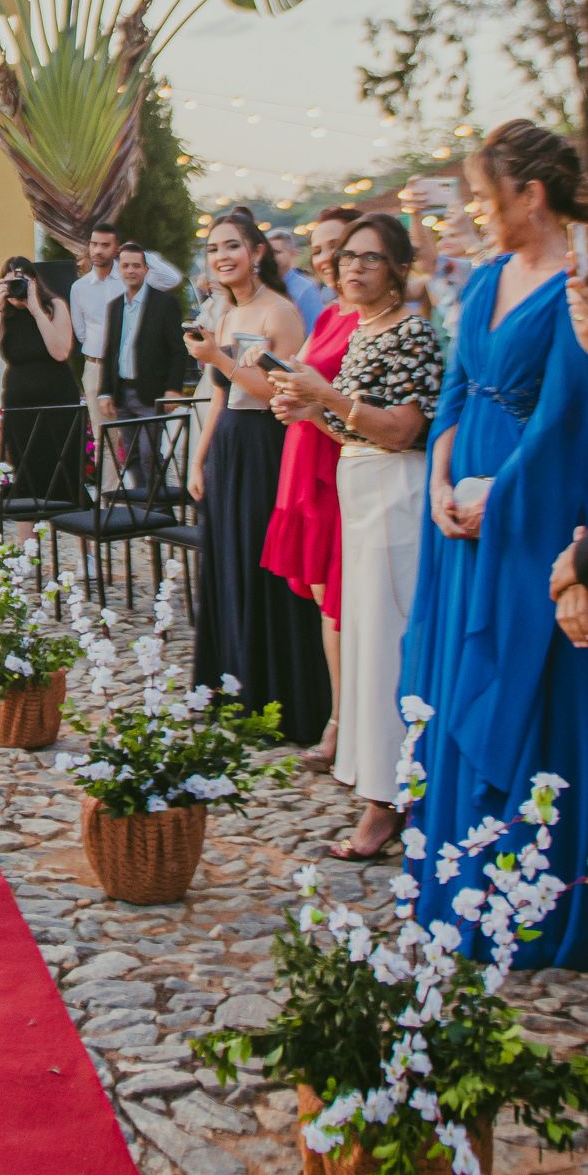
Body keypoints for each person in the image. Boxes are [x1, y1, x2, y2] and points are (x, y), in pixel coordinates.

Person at [404, 120, 588, 969]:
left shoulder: (577, 285)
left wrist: (498, 499)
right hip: (460, 505)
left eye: (486, 195)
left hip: (532, 503)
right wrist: (440, 483)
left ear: (533, 196)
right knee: (452, 670)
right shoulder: (483, 281)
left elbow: (560, 418)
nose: (477, 212)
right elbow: (452, 388)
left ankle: (522, 890)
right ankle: (453, 874)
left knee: (522, 677)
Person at [271, 214, 443, 857]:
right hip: (358, 486)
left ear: (398, 269)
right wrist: (311, 409)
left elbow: (400, 429)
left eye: (370, 258)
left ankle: (389, 800)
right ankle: (376, 782)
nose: (353, 268)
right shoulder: (363, 331)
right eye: (347, 258)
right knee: (365, 640)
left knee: (387, 643)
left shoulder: (413, 334)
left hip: (397, 492)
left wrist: (330, 401)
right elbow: (355, 426)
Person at [185, 209, 330, 741]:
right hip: (228, 445)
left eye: (231, 247)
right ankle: (231, 688)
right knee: (225, 563)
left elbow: (282, 392)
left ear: (256, 253)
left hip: (269, 444)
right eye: (213, 249)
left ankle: (276, 696)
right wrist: (199, 461)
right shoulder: (222, 315)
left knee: (263, 564)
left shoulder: (280, 313)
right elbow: (220, 398)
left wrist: (219, 357)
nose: (221, 257)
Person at [260, 205, 361, 766]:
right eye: (319, 249)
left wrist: (308, 407)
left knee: (340, 604)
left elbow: (341, 400)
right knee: (327, 601)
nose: (327, 259)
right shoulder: (326, 315)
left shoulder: (368, 320)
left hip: (336, 459)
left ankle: (343, 724)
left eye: (337, 247)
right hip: (306, 455)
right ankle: (337, 718)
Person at [0, 255, 82, 504]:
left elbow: (60, 352)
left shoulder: (54, 306)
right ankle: (29, 540)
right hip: (20, 401)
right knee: (25, 469)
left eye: (22, 282)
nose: (17, 288)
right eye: (10, 282)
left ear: (34, 282)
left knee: (62, 465)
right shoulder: (4, 314)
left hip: (58, 397)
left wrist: (35, 308)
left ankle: (71, 526)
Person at [68, 221, 181, 437]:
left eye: (105, 245)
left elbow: (171, 279)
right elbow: (81, 331)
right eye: (94, 244)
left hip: (132, 372)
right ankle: (109, 474)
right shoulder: (79, 287)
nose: (98, 250)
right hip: (96, 367)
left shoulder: (129, 277)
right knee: (105, 440)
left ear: (116, 249)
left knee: (139, 443)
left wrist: (139, 254)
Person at [97, 240, 190, 488]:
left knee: (150, 455)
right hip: (122, 392)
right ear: (120, 270)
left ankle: (159, 510)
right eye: (126, 266)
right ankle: (140, 511)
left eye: (136, 266)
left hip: (151, 392)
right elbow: (110, 352)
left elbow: (178, 351)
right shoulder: (115, 306)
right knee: (132, 455)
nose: (131, 271)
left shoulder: (164, 304)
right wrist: (105, 391)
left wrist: (173, 389)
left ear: (146, 269)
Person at [268, 226, 332, 336]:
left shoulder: (305, 289)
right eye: (267, 253)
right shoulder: (263, 286)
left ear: (291, 253)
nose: (269, 257)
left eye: (276, 252)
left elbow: (315, 332)